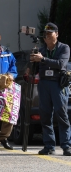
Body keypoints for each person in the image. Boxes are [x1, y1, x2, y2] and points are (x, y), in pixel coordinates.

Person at [30, 22, 71, 156]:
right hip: (44, 84)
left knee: (61, 114)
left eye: (50, 33)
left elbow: (61, 64)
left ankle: (66, 145)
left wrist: (42, 59)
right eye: (45, 34)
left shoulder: (64, 48)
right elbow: (35, 69)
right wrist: (32, 63)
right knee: (45, 115)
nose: (47, 36)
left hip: (58, 84)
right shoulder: (41, 50)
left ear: (57, 34)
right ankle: (49, 146)